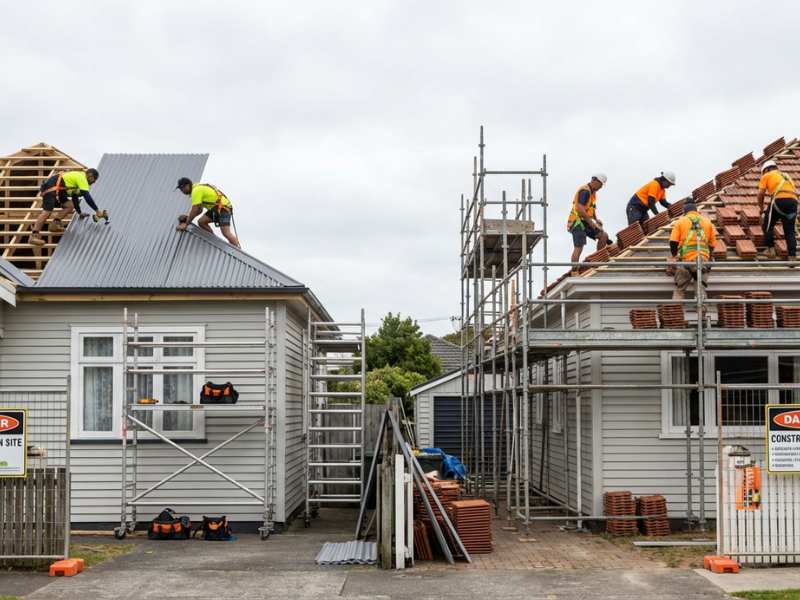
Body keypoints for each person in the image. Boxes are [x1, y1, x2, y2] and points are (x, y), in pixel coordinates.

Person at [30, 168, 104, 246]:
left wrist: (79, 212)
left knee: (70, 205)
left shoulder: (78, 178)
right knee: (47, 212)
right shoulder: (82, 178)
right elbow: (87, 196)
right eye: (94, 179)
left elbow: (74, 196)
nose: (94, 182)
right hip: (51, 188)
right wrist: (98, 211)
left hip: (58, 190)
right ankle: (34, 235)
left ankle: (55, 224)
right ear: (90, 176)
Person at [667, 198, 716, 300]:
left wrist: (674, 256)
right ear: (696, 210)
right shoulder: (707, 222)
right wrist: (706, 255)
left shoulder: (681, 221)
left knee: (679, 290)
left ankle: (676, 314)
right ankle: (701, 314)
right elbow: (712, 245)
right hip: (702, 262)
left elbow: (673, 242)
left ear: (685, 211)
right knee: (700, 294)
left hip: (686, 262)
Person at [175, 177, 240, 248]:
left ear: (187, 186)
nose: (181, 191)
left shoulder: (196, 190)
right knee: (201, 222)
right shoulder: (196, 189)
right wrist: (188, 217)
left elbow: (195, 209)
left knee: (226, 232)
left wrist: (186, 224)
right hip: (215, 209)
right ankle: (214, 240)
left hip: (223, 208)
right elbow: (199, 210)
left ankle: (238, 250)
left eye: (181, 188)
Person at [567, 173, 609, 273]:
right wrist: (591, 223)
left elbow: (591, 208)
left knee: (603, 236)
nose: (601, 187)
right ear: (595, 181)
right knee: (579, 247)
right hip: (576, 222)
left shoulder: (592, 193)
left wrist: (596, 219)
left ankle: (598, 261)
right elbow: (579, 208)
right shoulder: (585, 191)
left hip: (585, 221)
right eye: (601, 184)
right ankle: (574, 271)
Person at [757, 160, 797, 262]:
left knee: (767, 224)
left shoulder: (767, 175)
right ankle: (792, 256)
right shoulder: (786, 176)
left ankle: (771, 250)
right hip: (793, 203)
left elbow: (760, 194)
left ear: (766, 170)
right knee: (789, 230)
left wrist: (761, 209)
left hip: (779, 201)